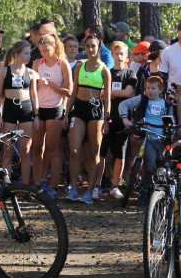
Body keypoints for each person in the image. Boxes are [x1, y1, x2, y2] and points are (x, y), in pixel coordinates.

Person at [65, 35, 112, 204]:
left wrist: (106, 119)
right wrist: (66, 113)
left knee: (94, 152)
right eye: (87, 46)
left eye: (93, 46)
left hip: (96, 111)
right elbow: (74, 91)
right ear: (83, 47)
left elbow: (107, 97)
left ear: (99, 46)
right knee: (74, 150)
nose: (90, 49)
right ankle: (74, 189)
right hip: (79, 109)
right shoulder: (80, 66)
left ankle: (89, 191)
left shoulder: (104, 70)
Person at [119, 75, 172, 206]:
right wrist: (125, 119)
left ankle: (156, 193)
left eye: (153, 88)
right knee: (150, 166)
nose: (150, 91)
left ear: (161, 90)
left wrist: (172, 130)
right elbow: (124, 104)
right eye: (148, 88)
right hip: (147, 137)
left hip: (162, 139)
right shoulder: (142, 99)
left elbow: (172, 120)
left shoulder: (166, 104)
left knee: (161, 167)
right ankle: (144, 190)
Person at [31, 33, 72, 198]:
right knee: (37, 147)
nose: (43, 54)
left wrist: (51, 84)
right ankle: (37, 183)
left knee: (52, 148)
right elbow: (31, 88)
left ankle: (54, 186)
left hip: (55, 108)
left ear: (54, 47)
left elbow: (69, 91)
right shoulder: (36, 64)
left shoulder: (63, 64)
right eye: (41, 51)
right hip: (39, 109)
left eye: (46, 50)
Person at [0, 40, 40, 183]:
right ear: (16, 54)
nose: (28, 56)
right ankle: (7, 185)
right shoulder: (5, 71)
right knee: (8, 149)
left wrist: (36, 116)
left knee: (26, 150)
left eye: (29, 54)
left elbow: (34, 95)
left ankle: (25, 185)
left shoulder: (31, 73)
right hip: (9, 109)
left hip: (26, 110)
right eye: (25, 53)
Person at [101, 41, 138, 200]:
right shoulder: (107, 72)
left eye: (122, 53)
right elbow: (101, 95)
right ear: (112, 55)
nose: (119, 56)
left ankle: (115, 186)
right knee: (103, 153)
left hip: (122, 119)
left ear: (127, 56)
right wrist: (115, 93)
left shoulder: (130, 74)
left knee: (120, 154)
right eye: (116, 53)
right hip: (106, 117)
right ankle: (99, 184)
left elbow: (128, 94)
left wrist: (109, 92)